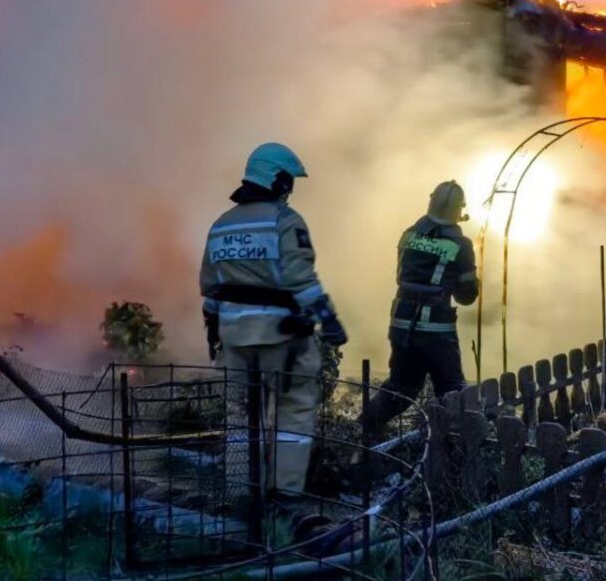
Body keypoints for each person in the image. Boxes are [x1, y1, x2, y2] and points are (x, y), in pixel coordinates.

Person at [199, 142, 347, 501]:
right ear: (277, 180)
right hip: (281, 340)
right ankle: (284, 497)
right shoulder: (285, 221)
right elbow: (302, 281)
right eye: (289, 181)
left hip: (234, 342)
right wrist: (329, 322)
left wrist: (214, 333)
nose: (290, 190)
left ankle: (240, 491)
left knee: (239, 415)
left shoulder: (221, 225)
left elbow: (210, 289)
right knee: (292, 412)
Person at [362, 180, 478, 432]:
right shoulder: (461, 245)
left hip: (401, 326)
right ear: (459, 210)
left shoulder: (409, 235)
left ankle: (363, 430)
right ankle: (451, 450)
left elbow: (403, 277)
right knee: (453, 391)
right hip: (436, 332)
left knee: (401, 389)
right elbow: (466, 296)